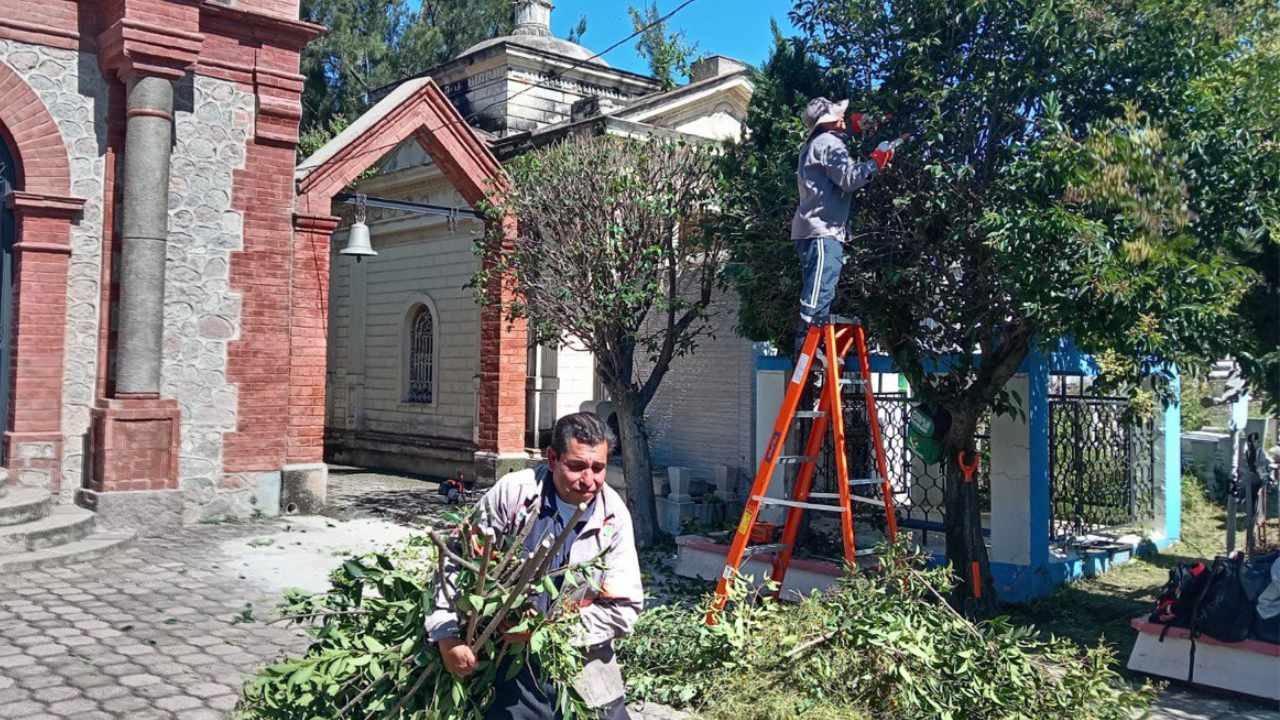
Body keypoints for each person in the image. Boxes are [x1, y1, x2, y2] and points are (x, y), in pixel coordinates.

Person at [425, 412, 643, 719]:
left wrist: (547, 630)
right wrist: (447, 637)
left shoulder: (613, 517)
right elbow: (453, 560)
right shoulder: (515, 494)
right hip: (505, 660)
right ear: (552, 458)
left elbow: (625, 611)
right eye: (577, 466)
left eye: (598, 468)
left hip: (583, 662)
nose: (589, 480)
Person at [791, 97, 897, 327]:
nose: (843, 118)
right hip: (821, 231)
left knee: (821, 290)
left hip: (815, 230)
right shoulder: (828, 142)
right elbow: (849, 179)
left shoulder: (819, 142)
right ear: (827, 120)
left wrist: (863, 126)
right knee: (818, 295)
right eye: (838, 115)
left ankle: (813, 352)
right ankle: (807, 353)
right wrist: (875, 163)